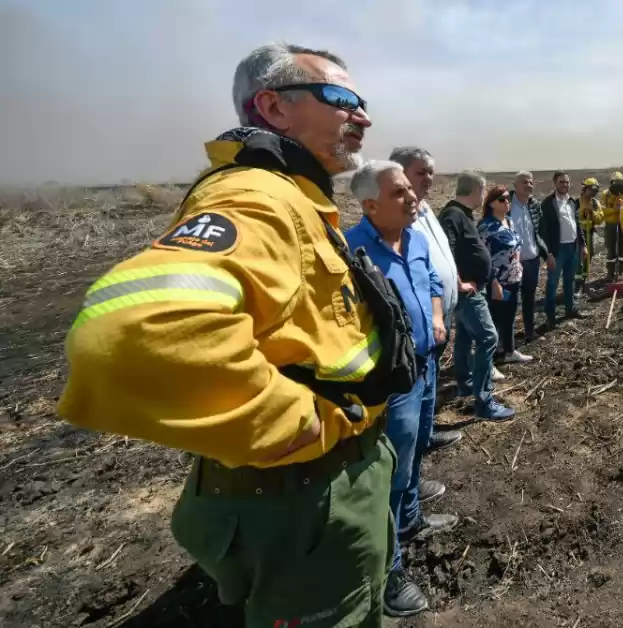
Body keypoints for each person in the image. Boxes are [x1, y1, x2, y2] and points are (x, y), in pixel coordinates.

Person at [57, 43, 406, 626]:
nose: (363, 117)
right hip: (301, 501)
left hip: (328, 492)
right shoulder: (255, 196)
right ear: (273, 108)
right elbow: (138, 330)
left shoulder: (296, 198)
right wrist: (289, 420)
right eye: (343, 99)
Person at [346, 161, 461, 617]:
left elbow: (431, 279)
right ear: (370, 204)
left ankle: (412, 520)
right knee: (390, 475)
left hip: (427, 364)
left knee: (414, 454)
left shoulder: (412, 237)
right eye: (399, 193)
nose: (412, 197)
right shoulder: (353, 251)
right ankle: (389, 574)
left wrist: (435, 317)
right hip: (392, 382)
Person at [391, 146, 487, 433]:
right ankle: (416, 443)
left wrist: (454, 284)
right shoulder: (395, 217)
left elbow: (440, 254)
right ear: (398, 174)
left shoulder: (426, 209)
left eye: (431, 172)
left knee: (430, 377)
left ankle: (428, 431)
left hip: (439, 311)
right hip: (419, 319)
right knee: (416, 381)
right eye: (420, 172)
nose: (429, 179)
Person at [440, 171, 517, 421]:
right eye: (482, 192)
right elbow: (446, 250)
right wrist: (459, 282)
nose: (483, 196)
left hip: (475, 287)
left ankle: (465, 383)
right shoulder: (452, 215)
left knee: (464, 336)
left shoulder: (463, 214)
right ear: (476, 190)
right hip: (468, 291)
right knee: (487, 337)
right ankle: (484, 400)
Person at [478, 186, 529, 364]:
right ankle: (489, 360)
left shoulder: (509, 221)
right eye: (502, 199)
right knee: (494, 319)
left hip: (514, 278)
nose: (507, 202)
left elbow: (516, 247)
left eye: (508, 198)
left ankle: (509, 350)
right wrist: (493, 282)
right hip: (497, 282)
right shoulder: (486, 227)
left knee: (510, 317)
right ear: (491, 203)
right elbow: (484, 258)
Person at [539, 171, 588, 324]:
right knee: (552, 282)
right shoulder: (548, 203)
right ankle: (550, 315)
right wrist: (548, 253)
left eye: (567, 182)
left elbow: (577, 224)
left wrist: (583, 245)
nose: (565, 185)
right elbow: (543, 230)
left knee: (570, 280)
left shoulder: (572, 202)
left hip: (572, 247)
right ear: (555, 183)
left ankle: (570, 309)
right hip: (557, 249)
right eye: (562, 182)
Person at [509, 171, 552, 344]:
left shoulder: (534, 205)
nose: (529, 185)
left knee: (529, 298)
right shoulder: (506, 204)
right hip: (512, 261)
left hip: (532, 259)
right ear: (515, 185)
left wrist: (547, 253)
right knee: (511, 301)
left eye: (531, 183)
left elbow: (539, 232)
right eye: (525, 182)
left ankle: (529, 331)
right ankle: (507, 339)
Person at [600, 171, 623, 280]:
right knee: (611, 249)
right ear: (611, 183)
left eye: (620, 182)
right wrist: (614, 209)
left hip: (622, 224)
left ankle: (621, 271)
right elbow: (602, 211)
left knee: (621, 249)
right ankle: (610, 273)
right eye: (615, 182)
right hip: (611, 225)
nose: (617, 185)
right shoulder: (605, 194)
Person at [578, 177, 602, 286]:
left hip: (589, 232)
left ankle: (583, 278)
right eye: (591, 190)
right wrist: (581, 213)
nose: (592, 193)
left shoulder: (595, 203)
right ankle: (577, 280)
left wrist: (592, 213)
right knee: (578, 257)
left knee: (588, 255)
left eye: (595, 191)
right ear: (585, 189)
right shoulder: (576, 202)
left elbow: (600, 219)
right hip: (578, 233)